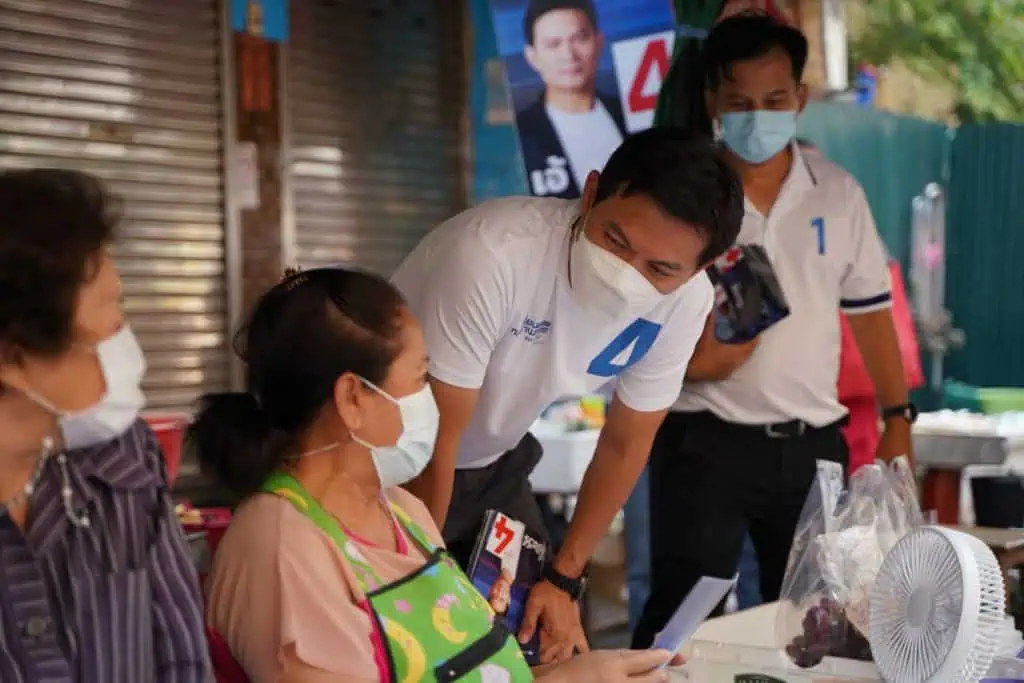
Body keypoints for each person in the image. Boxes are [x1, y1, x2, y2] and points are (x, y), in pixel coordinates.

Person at [195, 266, 681, 683]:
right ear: (353, 399)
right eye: (421, 378)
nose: (432, 400)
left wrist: (582, 673)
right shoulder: (283, 545)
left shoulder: (401, 511)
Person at [391, 126, 743, 662]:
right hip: (393, 463)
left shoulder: (684, 303)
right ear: (591, 192)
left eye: (660, 269)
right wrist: (426, 582)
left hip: (495, 464)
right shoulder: (492, 254)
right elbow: (434, 439)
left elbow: (626, 443)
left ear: (701, 267)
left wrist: (564, 578)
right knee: (419, 645)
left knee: (552, 643)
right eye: (616, 241)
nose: (627, 276)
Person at [633, 13, 917, 647]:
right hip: (702, 441)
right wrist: (696, 362)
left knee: (817, 622)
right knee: (683, 621)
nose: (756, 116)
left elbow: (870, 314)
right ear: (711, 101)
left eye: (773, 100)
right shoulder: (679, 196)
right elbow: (630, 314)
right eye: (739, 103)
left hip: (812, 446)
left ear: (800, 99)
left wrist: (899, 416)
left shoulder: (838, 194)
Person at [0, 169, 210, 682]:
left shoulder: (124, 455)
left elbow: (181, 650)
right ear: (12, 353)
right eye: (107, 307)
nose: (121, 329)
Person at [517, 0, 628, 198]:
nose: (568, 55)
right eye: (553, 44)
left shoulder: (628, 112)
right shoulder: (522, 133)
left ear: (599, 41)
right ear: (531, 56)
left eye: (579, 39)